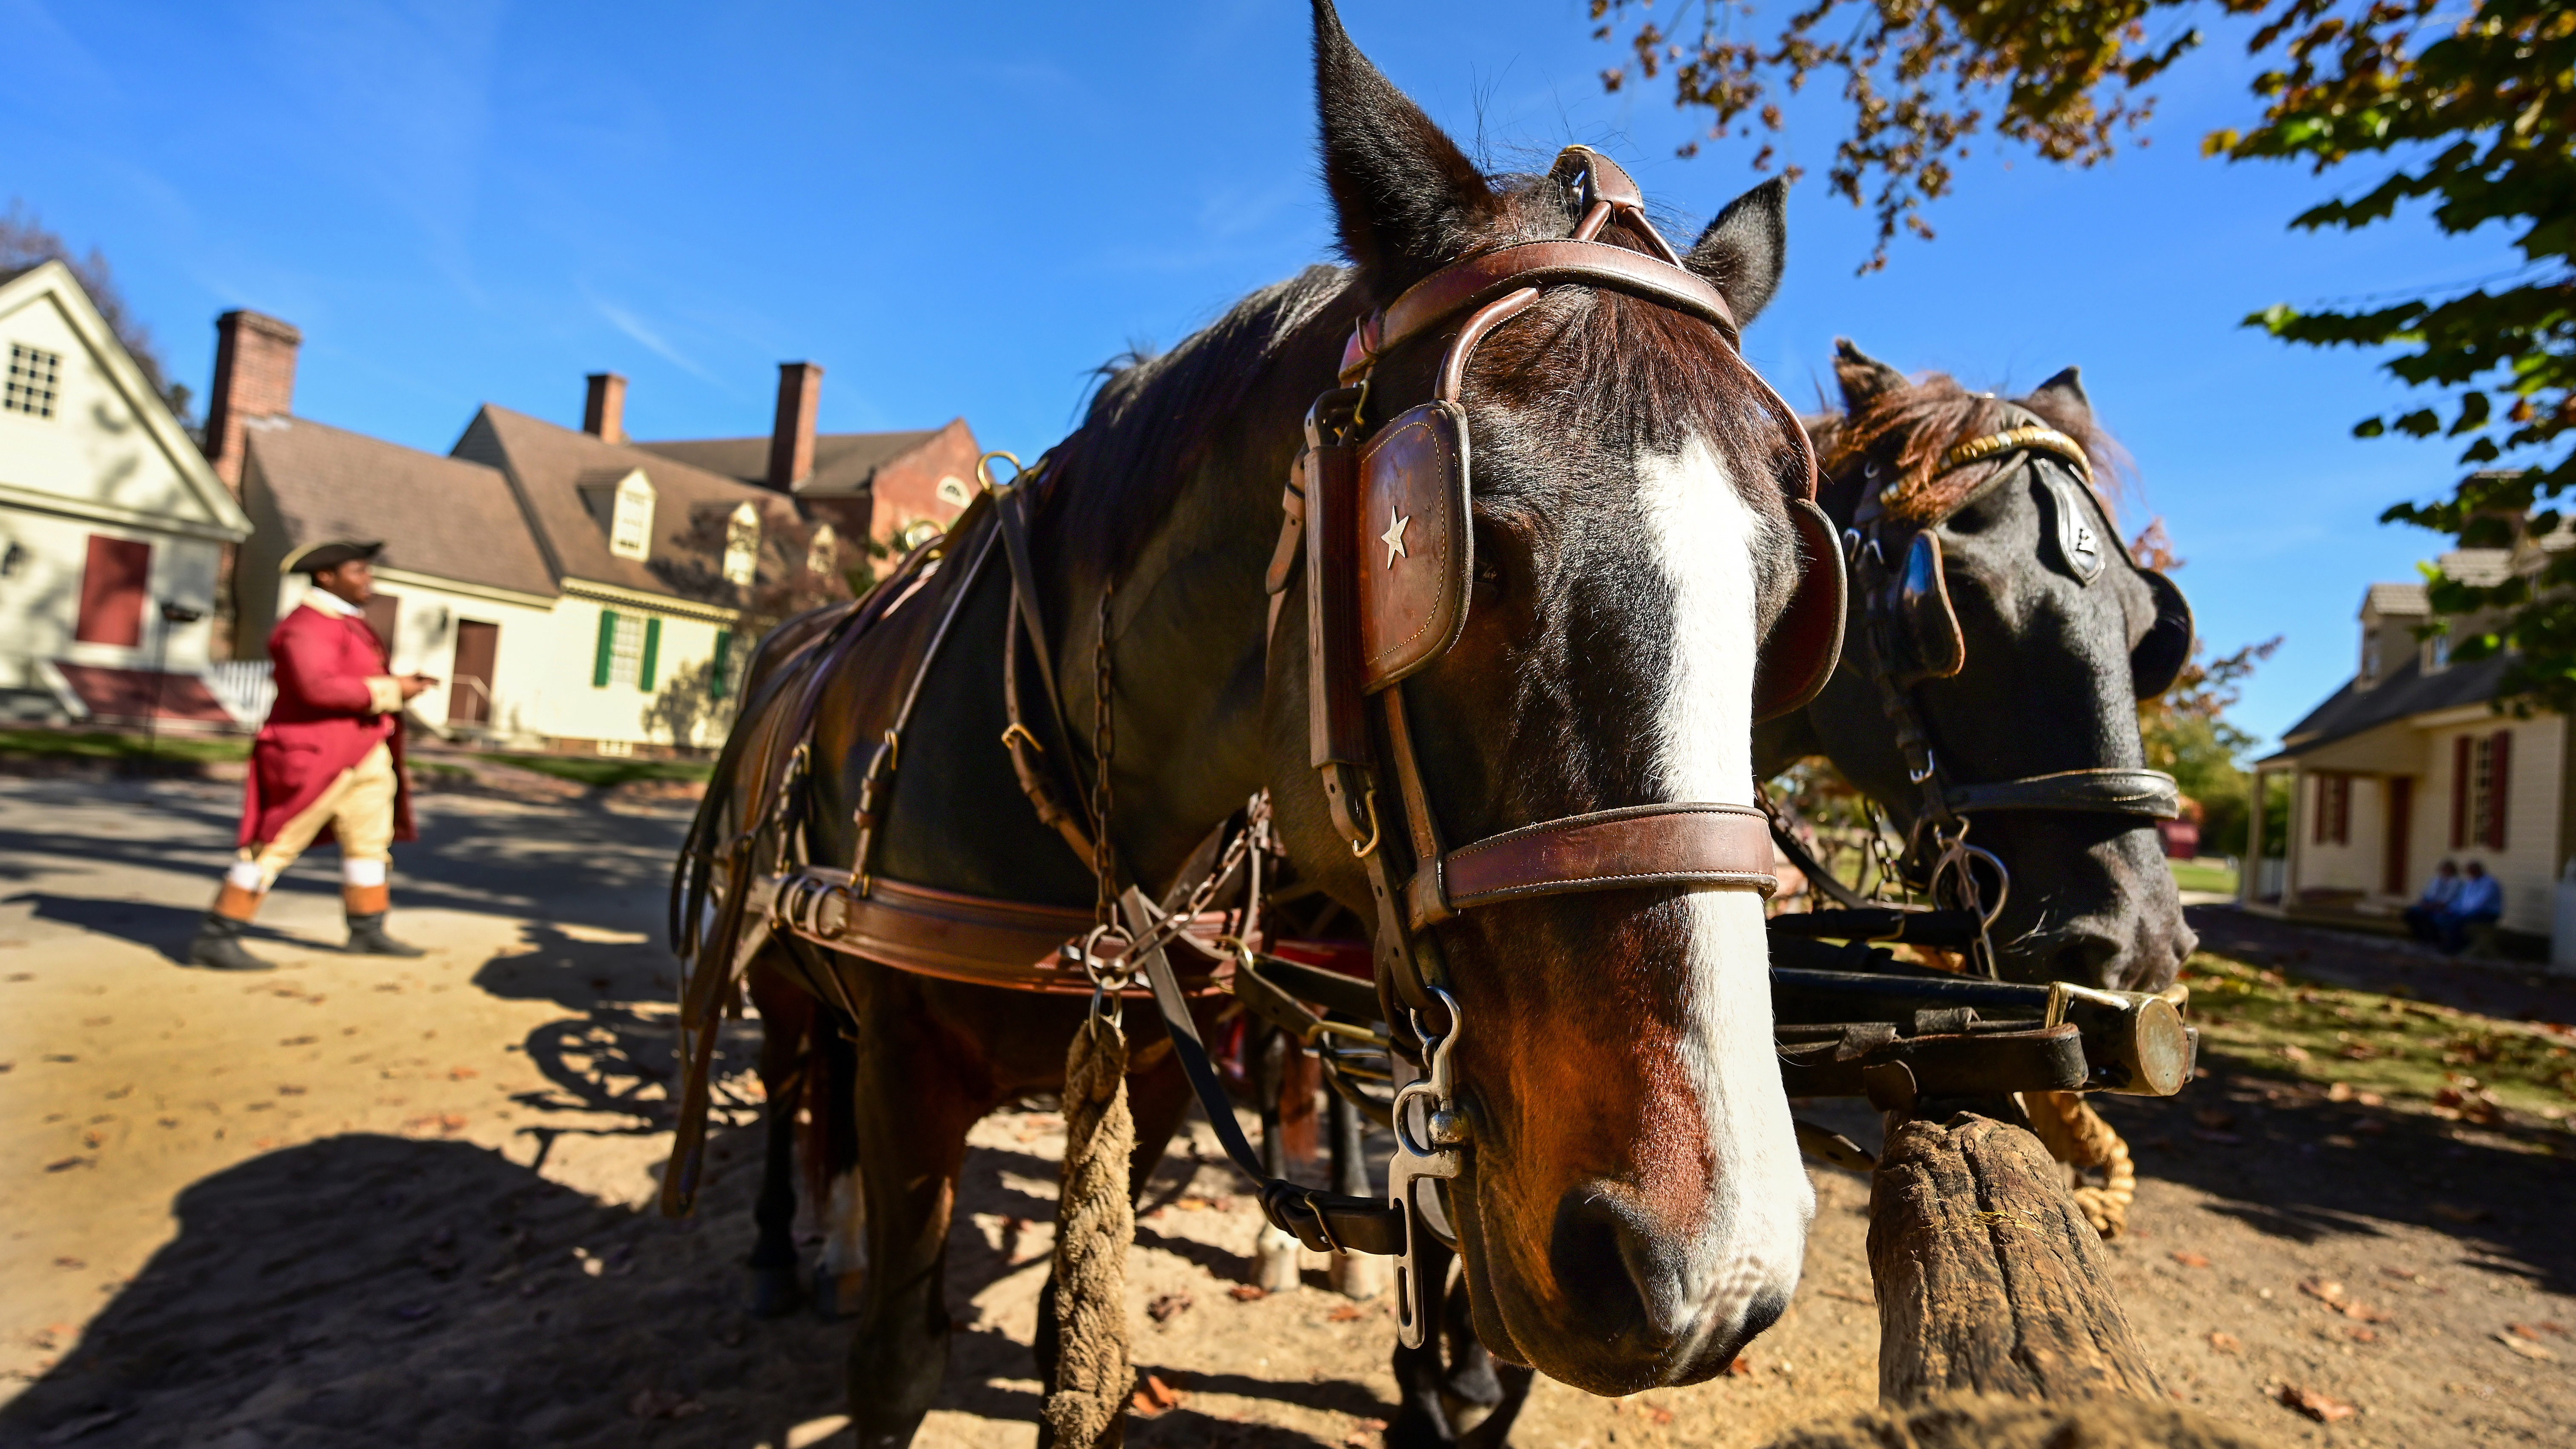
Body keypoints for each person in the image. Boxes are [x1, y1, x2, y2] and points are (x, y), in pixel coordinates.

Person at [187, 541, 440, 971]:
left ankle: (367, 929)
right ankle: (219, 935)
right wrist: (392, 690)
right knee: (273, 845)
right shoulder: (306, 626)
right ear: (326, 576)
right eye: (359, 571)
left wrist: (395, 683)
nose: (368, 580)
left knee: (369, 845)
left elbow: (350, 678)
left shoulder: (345, 623)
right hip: (316, 756)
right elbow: (316, 688)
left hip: (364, 754)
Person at [2439, 860, 2505, 955]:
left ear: (2478, 870)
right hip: (2470, 912)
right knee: (2444, 917)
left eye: (2471, 871)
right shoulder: (2470, 882)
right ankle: (2453, 944)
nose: (2469, 874)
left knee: (2457, 921)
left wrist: (2462, 912)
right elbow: (2461, 900)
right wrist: (2451, 909)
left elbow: (2480, 903)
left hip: (2488, 914)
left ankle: (2455, 949)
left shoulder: (2490, 883)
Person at [2403, 859, 2461, 943]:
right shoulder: (2436, 880)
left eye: (2448, 869)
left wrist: (2431, 906)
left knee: (2432, 918)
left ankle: (2435, 939)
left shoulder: (2456, 882)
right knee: (2410, 915)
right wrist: (2424, 903)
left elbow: (2447, 900)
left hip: (2444, 908)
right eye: (2444, 869)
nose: (2446, 871)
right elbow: (2427, 894)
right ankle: (2421, 937)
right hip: (2430, 905)